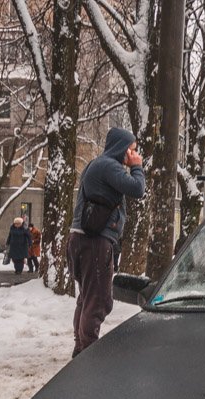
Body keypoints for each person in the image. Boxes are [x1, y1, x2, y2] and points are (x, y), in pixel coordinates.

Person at [69, 127, 146, 357]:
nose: (134, 153)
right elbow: (137, 189)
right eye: (132, 149)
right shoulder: (109, 165)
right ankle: (88, 354)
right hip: (95, 242)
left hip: (83, 239)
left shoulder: (98, 165)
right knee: (98, 300)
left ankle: (81, 349)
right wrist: (137, 167)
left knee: (87, 298)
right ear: (122, 148)